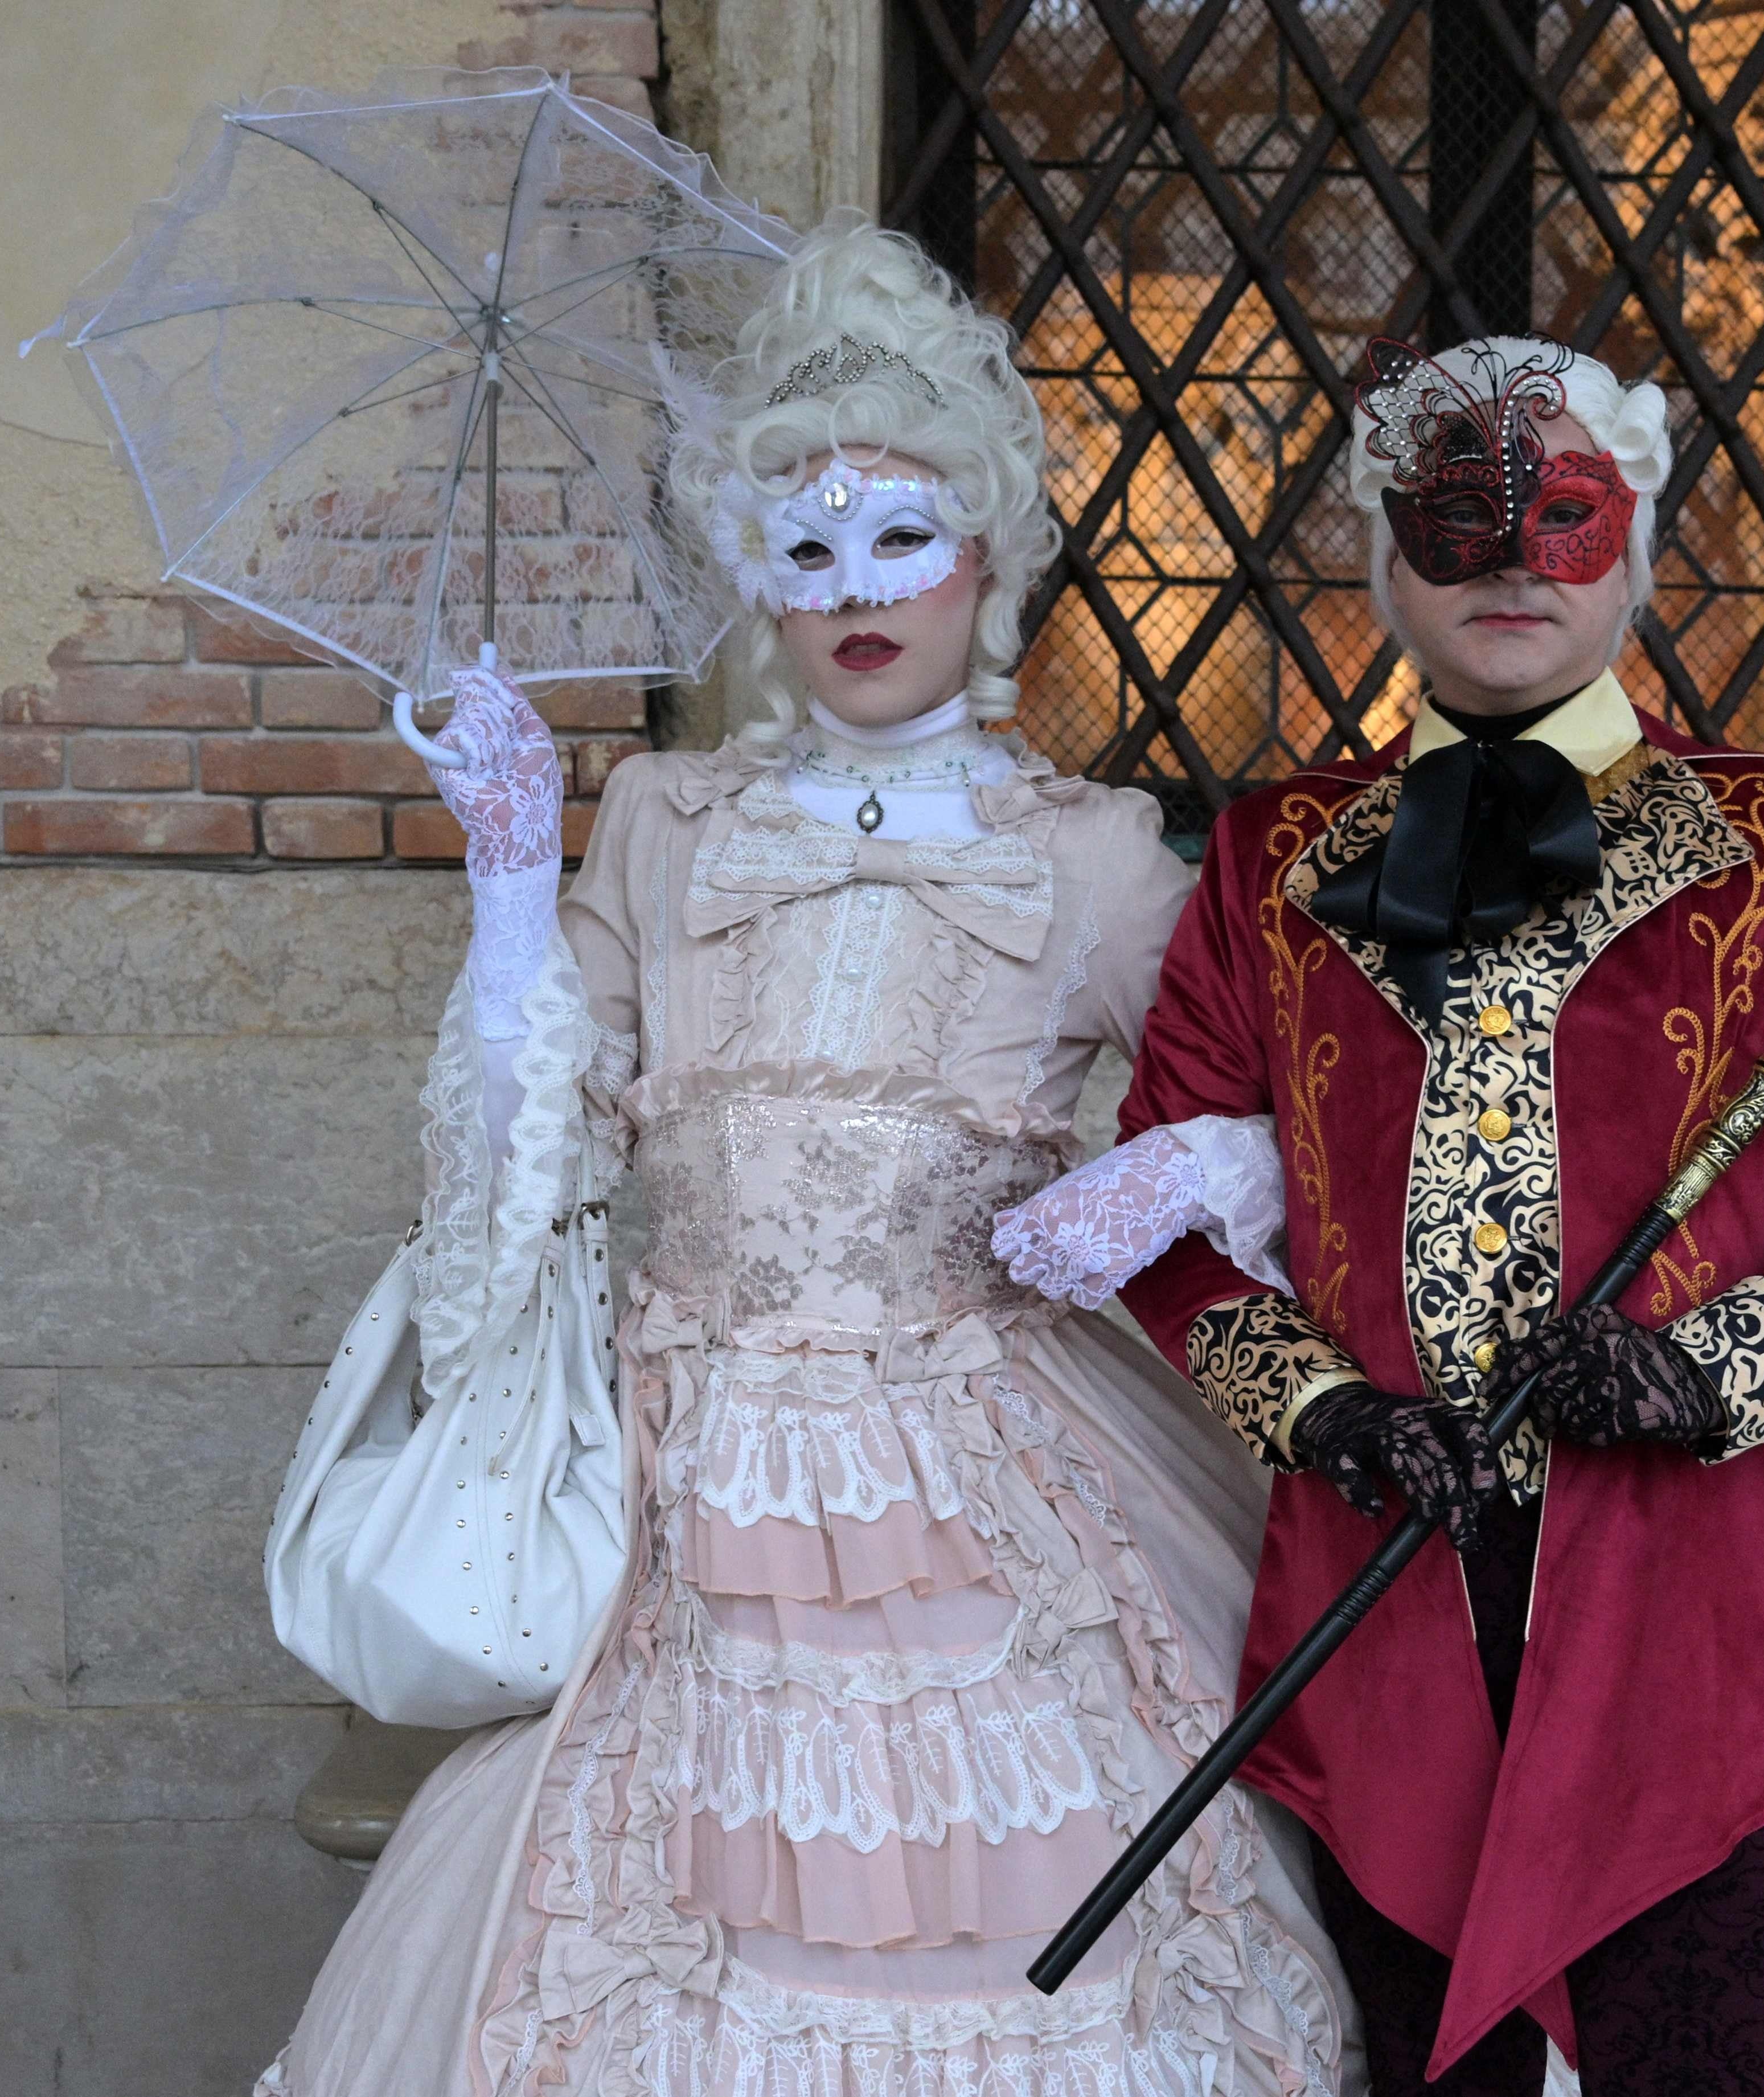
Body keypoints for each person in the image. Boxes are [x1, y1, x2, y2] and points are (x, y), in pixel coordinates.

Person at [253, 221, 1353, 2097]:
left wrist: (1191, 1171)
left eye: (899, 536)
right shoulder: (666, 822)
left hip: (985, 1470)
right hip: (682, 1468)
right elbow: (529, 1143)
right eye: (806, 546)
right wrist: (514, 880)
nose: (858, 587)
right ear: (752, 578)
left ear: (986, 554)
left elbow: (1315, 1098)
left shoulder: (1087, 856)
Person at [1101, 335, 1764, 2094]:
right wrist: (1321, 1408)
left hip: (1679, 1622)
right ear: (1382, 553)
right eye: (1457, 516)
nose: (1511, 561)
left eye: (1562, 514)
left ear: (1636, 539)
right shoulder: (1270, 857)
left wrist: (1708, 1368)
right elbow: (1157, 1211)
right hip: (1376, 1616)